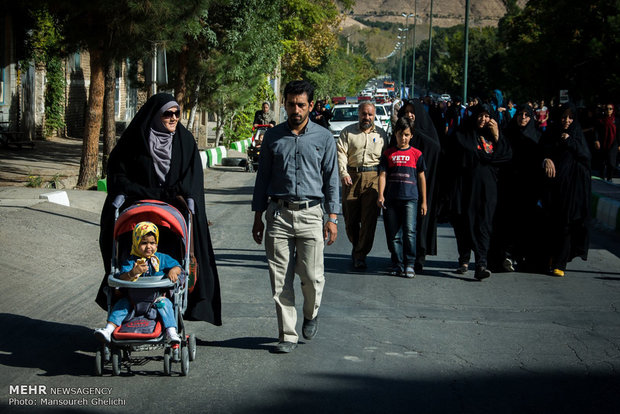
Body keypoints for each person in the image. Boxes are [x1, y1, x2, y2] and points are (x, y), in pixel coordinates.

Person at [96, 93, 222, 326]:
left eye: (177, 113)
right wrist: (137, 192)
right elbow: (118, 173)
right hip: (137, 207)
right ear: (154, 115)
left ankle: (169, 308)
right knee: (125, 247)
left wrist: (186, 199)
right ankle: (126, 302)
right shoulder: (135, 139)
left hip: (172, 212)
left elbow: (191, 179)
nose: (174, 118)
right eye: (167, 113)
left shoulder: (184, 140)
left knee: (175, 256)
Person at [251, 80, 339, 354]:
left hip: (312, 214)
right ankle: (287, 334)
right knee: (280, 279)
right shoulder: (274, 137)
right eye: (291, 104)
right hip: (278, 214)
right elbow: (262, 177)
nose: (296, 109)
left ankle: (311, 314)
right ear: (284, 104)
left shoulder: (324, 138)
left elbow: (332, 179)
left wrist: (332, 217)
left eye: (301, 105)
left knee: (312, 277)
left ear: (311, 106)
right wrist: (258, 216)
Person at [446, 104, 512, 280]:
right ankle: (465, 258)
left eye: (487, 116)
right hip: (467, 190)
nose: (484, 119)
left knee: (484, 225)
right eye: (480, 115)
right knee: (467, 224)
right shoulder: (464, 135)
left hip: (488, 190)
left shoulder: (493, 136)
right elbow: (463, 156)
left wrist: (497, 134)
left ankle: (481, 263)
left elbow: (505, 156)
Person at [94, 222, 182, 344]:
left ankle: (171, 332)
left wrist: (173, 271)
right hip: (132, 300)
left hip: (156, 298)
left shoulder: (162, 258)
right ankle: (108, 330)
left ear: (157, 243)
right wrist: (133, 273)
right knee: (120, 306)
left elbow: (178, 266)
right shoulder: (131, 261)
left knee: (165, 304)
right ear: (136, 243)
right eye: (144, 243)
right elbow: (122, 278)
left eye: (152, 243)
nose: (149, 247)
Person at [490, 104, 544, 272]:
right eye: (520, 114)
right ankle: (505, 255)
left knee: (526, 223)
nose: (523, 118)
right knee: (506, 222)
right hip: (508, 185)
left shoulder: (537, 136)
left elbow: (543, 155)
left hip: (529, 187)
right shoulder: (507, 133)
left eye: (527, 115)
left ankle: (522, 257)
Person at [541, 103, 591, 277]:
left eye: (570, 117)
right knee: (550, 223)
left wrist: (569, 141)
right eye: (564, 116)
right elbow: (542, 150)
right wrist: (546, 158)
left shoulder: (577, 136)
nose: (567, 120)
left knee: (566, 225)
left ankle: (560, 263)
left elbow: (586, 159)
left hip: (572, 191)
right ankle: (549, 258)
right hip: (552, 189)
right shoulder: (551, 133)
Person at [337, 101, 388, 269]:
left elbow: (385, 160)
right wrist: (344, 173)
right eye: (364, 114)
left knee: (369, 220)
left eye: (370, 114)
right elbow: (341, 153)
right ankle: (357, 246)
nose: (367, 117)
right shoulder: (348, 132)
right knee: (350, 219)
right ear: (359, 114)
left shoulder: (381, 135)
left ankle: (360, 255)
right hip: (351, 177)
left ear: (374, 116)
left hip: (373, 178)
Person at [377, 117, 427, 278]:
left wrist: (424, 201)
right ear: (395, 134)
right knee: (393, 234)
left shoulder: (417, 154)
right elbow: (383, 175)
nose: (403, 138)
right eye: (400, 134)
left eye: (406, 134)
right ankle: (397, 263)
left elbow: (421, 177)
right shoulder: (388, 154)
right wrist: (380, 195)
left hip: (410, 199)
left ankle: (410, 264)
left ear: (411, 135)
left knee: (410, 231)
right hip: (391, 200)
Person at [397, 100, 441, 272]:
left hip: (422, 186)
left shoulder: (427, 137)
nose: (409, 115)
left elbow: (435, 150)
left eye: (412, 111)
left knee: (421, 222)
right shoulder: (400, 135)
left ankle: (419, 256)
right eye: (406, 111)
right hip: (402, 187)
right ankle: (402, 257)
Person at [595, 103, 619, 181]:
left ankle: (610, 178)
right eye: (607, 109)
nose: (608, 110)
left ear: (613, 110)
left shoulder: (616, 120)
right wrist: (596, 140)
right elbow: (596, 131)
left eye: (610, 109)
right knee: (602, 162)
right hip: (603, 142)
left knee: (611, 163)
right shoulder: (600, 120)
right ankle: (601, 177)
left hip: (613, 143)